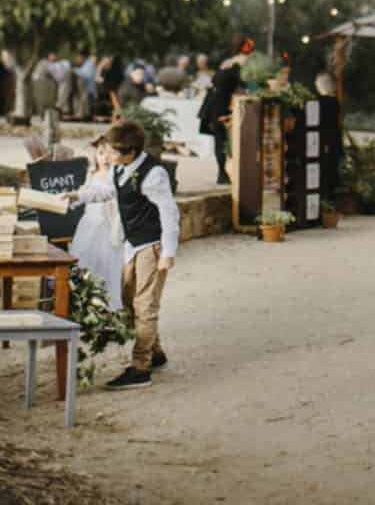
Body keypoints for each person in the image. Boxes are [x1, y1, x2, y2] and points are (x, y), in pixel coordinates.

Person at [65, 120, 179, 389]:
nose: (108, 155)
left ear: (130, 152)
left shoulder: (153, 175)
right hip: (133, 243)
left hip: (152, 245)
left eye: (113, 151)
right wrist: (76, 195)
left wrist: (168, 253)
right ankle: (156, 352)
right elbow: (107, 191)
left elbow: (169, 212)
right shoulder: (120, 168)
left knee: (145, 304)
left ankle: (141, 367)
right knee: (128, 299)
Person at [67, 136, 125, 309]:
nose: (105, 158)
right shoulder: (92, 174)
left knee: (107, 264)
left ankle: (109, 305)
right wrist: (72, 201)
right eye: (101, 153)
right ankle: (85, 303)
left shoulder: (117, 175)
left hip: (108, 226)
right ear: (95, 156)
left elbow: (109, 195)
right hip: (90, 224)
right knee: (86, 260)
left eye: (109, 153)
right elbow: (85, 193)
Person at [197, 41, 249, 186]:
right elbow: (244, 84)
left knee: (220, 141)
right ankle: (222, 174)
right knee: (221, 141)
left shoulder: (225, 64)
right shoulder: (235, 67)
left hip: (213, 104)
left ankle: (222, 174)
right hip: (219, 107)